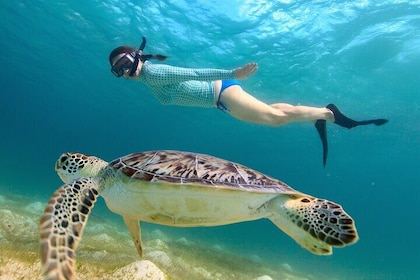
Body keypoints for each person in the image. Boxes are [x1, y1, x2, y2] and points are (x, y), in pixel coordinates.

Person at [109, 37, 388, 166]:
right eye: (117, 70)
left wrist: (234, 73)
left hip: (221, 93)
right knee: (275, 112)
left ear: (135, 56)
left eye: (123, 63)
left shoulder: (153, 72)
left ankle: (328, 114)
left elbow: (193, 73)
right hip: (221, 97)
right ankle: (320, 114)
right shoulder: (148, 77)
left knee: (274, 120)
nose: (124, 71)